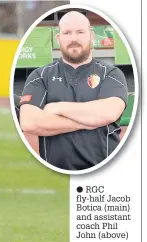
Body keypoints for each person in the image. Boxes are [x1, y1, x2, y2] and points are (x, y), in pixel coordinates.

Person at [19, 10, 128, 171]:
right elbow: (29, 122)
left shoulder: (111, 73)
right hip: (55, 172)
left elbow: (109, 112)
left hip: (103, 168)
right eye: (67, 33)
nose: (73, 38)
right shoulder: (40, 76)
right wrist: (91, 121)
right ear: (58, 38)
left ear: (91, 36)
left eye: (80, 32)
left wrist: (57, 108)